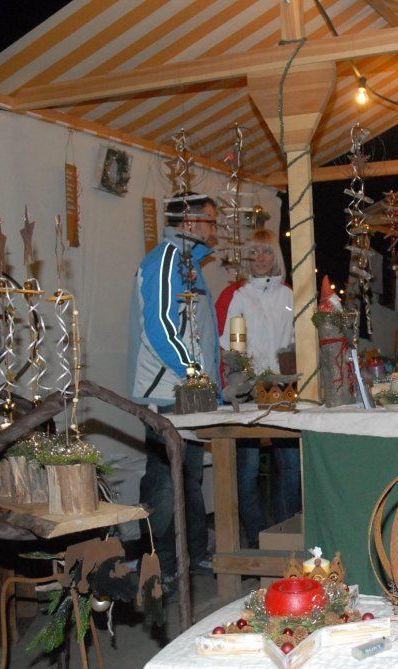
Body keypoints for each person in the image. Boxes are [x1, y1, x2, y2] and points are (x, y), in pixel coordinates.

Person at [129, 192, 221, 586]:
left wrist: (215, 376)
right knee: (165, 481)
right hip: (167, 392)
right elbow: (161, 327)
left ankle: (193, 555)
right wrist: (193, 370)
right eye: (211, 221)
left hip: (192, 393)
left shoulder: (189, 264)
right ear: (189, 221)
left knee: (189, 479)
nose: (215, 230)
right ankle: (158, 565)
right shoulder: (165, 260)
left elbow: (195, 329)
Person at [216, 229, 300, 547]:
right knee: (247, 471)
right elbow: (225, 345)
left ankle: (286, 535)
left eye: (266, 251)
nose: (261, 258)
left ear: (276, 256)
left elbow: (298, 342)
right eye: (254, 252)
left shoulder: (289, 296)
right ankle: (256, 539)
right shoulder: (236, 295)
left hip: (284, 390)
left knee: (291, 467)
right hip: (248, 392)